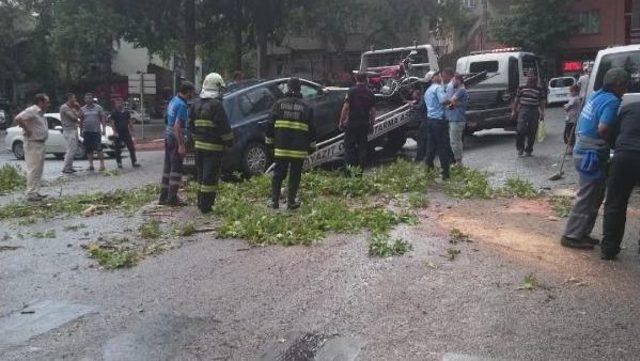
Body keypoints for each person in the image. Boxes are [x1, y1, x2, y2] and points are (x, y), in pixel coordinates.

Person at [561, 67, 629, 250]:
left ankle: (582, 232)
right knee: (588, 196)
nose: (626, 89)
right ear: (618, 85)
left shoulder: (598, 94)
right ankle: (571, 236)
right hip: (591, 154)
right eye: (625, 85)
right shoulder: (612, 101)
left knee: (596, 196)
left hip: (583, 150)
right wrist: (615, 142)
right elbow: (603, 129)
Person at [266, 77, 315, 210]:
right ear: (300, 88)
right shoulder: (306, 106)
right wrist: (311, 146)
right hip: (298, 149)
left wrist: (270, 143)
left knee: (278, 174)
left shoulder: (278, 104)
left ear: (288, 88)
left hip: (281, 147)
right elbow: (312, 129)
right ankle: (291, 202)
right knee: (295, 175)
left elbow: (270, 124)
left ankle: (274, 201)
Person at [600, 99, 640, 259]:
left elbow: (611, 135)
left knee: (615, 202)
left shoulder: (629, 108)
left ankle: (609, 248)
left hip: (625, 156)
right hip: (626, 152)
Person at [189, 73, 234, 214]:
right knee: (210, 178)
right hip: (213, 148)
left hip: (199, 147)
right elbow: (224, 128)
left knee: (201, 176)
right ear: (217, 88)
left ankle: (200, 202)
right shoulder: (217, 105)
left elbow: (190, 126)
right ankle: (206, 206)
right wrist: (230, 142)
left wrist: (195, 140)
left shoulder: (195, 104)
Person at [159, 81, 195, 206]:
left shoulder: (173, 100)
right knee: (176, 169)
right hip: (175, 138)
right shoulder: (182, 105)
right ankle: (172, 198)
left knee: (167, 168)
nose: (193, 95)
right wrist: (181, 145)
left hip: (168, 137)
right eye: (192, 92)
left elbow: (168, 121)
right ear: (188, 92)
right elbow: (177, 127)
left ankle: (163, 197)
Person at [15, 93, 51, 201]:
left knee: (38, 169)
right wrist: (27, 129)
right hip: (33, 142)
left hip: (39, 143)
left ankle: (35, 192)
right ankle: (31, 193)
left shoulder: (41, 113)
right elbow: (18, 118)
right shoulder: (33, 110)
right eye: (47, 102)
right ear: (40, 102)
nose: (48, 104)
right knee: (33, 169)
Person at [339, 72, 375, 175]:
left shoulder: (351, 91)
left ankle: (349, 172)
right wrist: (371, 124)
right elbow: (373, 111)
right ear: (366, 79)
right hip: (364, 124)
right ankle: (359, 173)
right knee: (362, 149)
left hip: (352, 123)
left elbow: (346, 108)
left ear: (355, 78)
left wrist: (341, 122)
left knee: (349, 148)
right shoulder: (370, 93)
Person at [423, 72, 451, 180]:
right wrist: (453, 104)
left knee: (431, 147)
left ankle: (429, 171)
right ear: (433, 78)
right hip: (439, 121)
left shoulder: (427, 91)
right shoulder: (438, 88)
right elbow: (444, 101)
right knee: (443, 147)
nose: (440, 77)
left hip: (430, 121)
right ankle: (446, 174)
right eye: (437, 76)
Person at [512, 75, 545, 157]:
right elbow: (516, 99)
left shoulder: (539, 89)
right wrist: (513, 110)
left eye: (533, 81)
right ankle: (520, 148)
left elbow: (542, 101)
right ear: (527, 81)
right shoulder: (521, 88)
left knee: (532, 131)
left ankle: (529, 149)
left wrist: (542, 112)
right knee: (520, 130)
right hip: (523, 109)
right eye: (529, 81)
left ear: (535, 82)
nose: (531, 83)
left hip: (534, 110)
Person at [109, 97, 140, 169]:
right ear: (115, 104)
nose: (119, 104)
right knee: (117, 148)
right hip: (118, 132)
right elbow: (112, 123)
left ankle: (134, 162)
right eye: (117, 103)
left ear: (122, 103)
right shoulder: (114, 112)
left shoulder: (126, 112)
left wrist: (132, 130)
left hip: (126, 132)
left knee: (131, 147)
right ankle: (119, 163)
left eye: (120, 102)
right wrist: (115, 132)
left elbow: (129, 122)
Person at [80, 93, 107, 171]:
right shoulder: (82, 109)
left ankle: (102, 165)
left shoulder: (98, 108)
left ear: (92, 99)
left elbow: (103, 118)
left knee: (99, 148)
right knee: (89, 149)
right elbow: (81, 120)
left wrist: (104, 129)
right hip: (87, 131)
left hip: (96, 131)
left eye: (90, 98)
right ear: (85, 100)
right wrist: (81, 130)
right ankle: (91, 165)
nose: (88, 100)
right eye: (87, 98)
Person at [447, 74, 469, 164]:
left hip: (457, 120)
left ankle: (458, 161)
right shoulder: (461, 90)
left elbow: (452, 99)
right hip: (456, 119)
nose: (452, 83)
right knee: (456, 141)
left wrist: (451, 104)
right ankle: (458, 161)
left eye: (453, 81)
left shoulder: (461, 90)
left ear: (458, 80)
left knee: (454, 141)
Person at [59, 93, 80, 174]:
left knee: (74, 149)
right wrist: (77, 110)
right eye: (74, 98)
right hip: (68, 130)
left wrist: (76, 110)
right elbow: (74, 118)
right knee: (70, 150)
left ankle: (70, 166)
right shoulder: (65, 107)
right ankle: (66, 168)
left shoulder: (71, 108)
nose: (75, 100)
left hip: (73, 129)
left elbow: (77, 118)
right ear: (69, 98)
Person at [563, 85, 580, 153]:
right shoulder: (575, 98)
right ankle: (570, 148)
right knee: (569, 133)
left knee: (569, 133)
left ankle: (571, 149)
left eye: (572, 91)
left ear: (576, 91)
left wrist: (565, 106)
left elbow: (567, 107)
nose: (571, 92)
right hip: (571, 118)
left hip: (572, 119)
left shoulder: (575, 99)